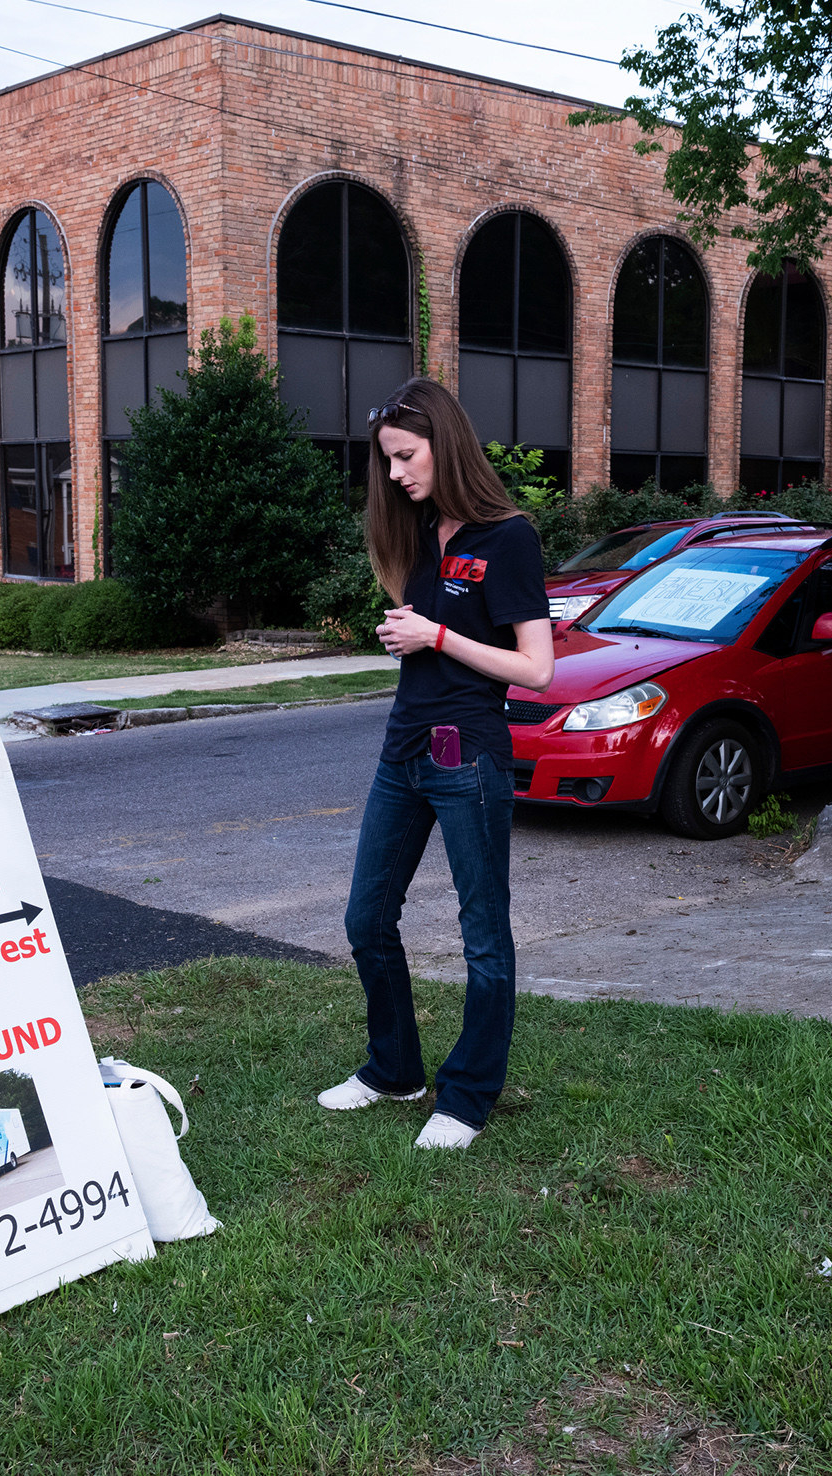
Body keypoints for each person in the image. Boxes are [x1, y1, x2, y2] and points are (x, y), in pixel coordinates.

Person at [316, 377, 554, 1150]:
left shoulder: (509, 536)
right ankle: (394, 1070)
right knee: (365, 917)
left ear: (443, 444)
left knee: (483, 930)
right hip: (404, 746)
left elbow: (536, 669)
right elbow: (422, 621)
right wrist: (408, 631)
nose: (395, 475)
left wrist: (439, 638)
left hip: (469, 755)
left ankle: (468, 1097)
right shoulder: (419, 533)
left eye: (405, 457)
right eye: (386, 461)